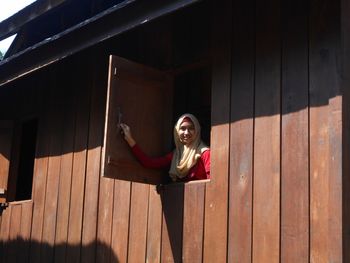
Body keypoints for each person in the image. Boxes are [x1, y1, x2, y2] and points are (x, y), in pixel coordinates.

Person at [120, 113, 210, 182]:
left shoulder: (205, 153)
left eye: (191, 128)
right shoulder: (177, 154)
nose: (186, 133)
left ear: (197, 130)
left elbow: (213, 182)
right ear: (177, 132)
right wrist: (129, 139)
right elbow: (149, 163)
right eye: (182, 128)